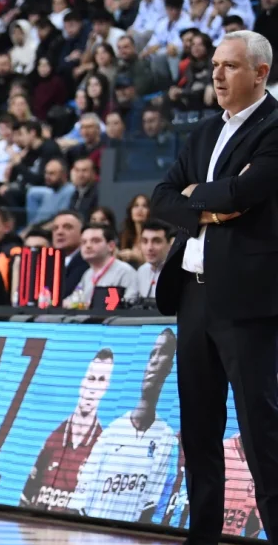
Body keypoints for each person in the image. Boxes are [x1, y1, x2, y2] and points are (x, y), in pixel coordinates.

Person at [143, 31, 278, 545]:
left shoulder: (274, 128)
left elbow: (246, 194)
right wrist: (210, 204)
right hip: (193, 299)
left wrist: (204, 197)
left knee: (262, 433)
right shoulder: (203, 132)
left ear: (261, 72)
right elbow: (161, 197)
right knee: (199, 434)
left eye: (230, 66)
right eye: (215, 65)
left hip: (247, 301)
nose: (217, 75)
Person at [69, 330, 179, 523]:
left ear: (169, 366)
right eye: (151, 354)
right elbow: (78, 505)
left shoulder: (167, 439)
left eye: (162, 353)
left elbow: (154, 512)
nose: (154, 361)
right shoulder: (111, 434)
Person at [20, 348, 115, 512]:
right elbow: (25, 498)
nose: (93, 388)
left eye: (101, 380)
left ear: (106, 387)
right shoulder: (53, 438)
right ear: (82, 382)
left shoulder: (102, 447)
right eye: (91, 378)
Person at [61, 223, 140, 308]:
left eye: (95, 241)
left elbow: (130, 304)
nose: (88, 246)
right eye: (84, 242)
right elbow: (74, 300)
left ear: (111, 246)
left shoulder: (125, 272)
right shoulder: (88, 274)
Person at [134, 220, 172, 301]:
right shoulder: (141, 271)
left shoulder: (179, 274)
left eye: (156, 241)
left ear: (169, 245)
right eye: (145, 241)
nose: (149, 248)